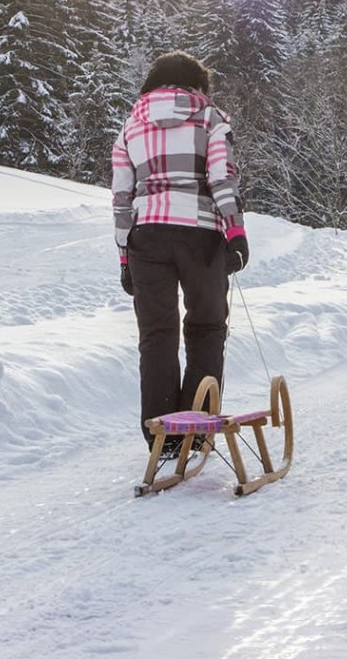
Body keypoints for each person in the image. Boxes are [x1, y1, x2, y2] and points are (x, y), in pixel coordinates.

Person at [111, 50, 249, 453]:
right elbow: (222, 177)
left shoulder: (129, 128)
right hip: (199, 234)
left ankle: (162, 435)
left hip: (147, 235)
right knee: (206, 327)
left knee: (156, 335)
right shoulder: (210, 119)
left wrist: (124, 256)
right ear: (196, 86)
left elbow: (122, 198)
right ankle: (196, 427)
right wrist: (235, 231)